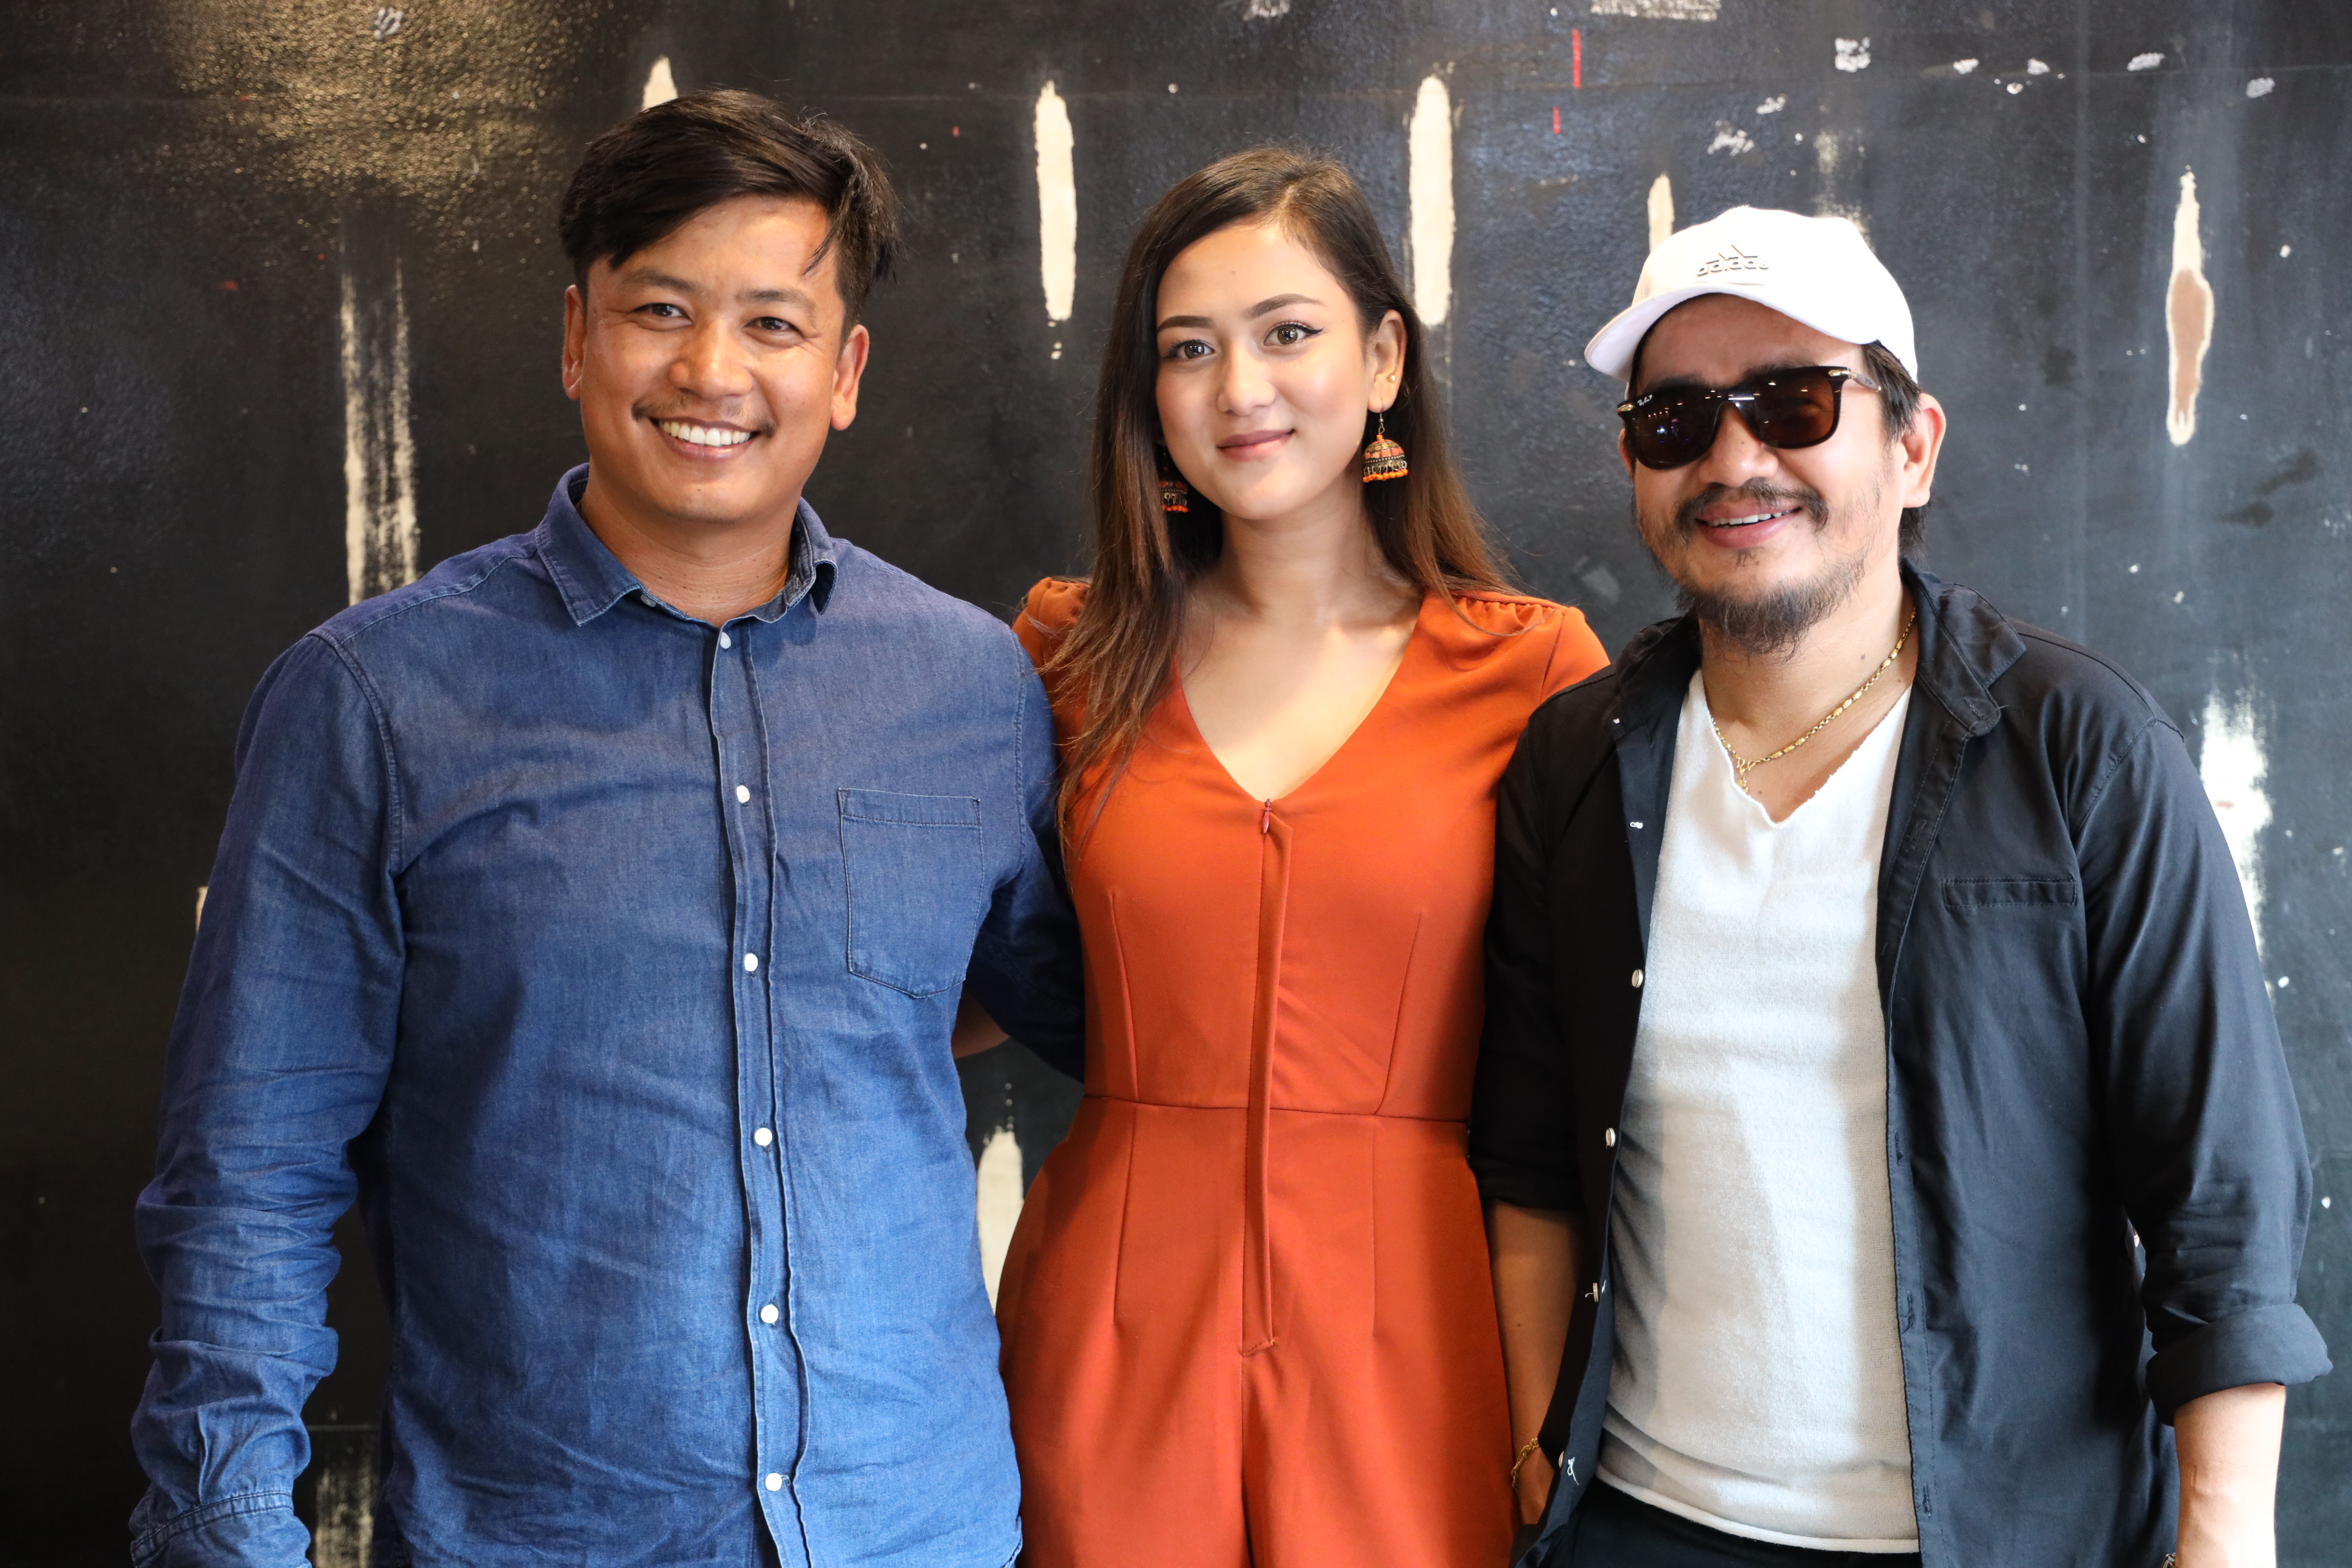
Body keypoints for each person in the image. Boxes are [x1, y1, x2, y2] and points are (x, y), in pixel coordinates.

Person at [128, 91, 1080, 1567]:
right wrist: (226, 1532)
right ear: (578, 337)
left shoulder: (971, 686)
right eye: (661, 310)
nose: (712, 371)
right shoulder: (374, 701)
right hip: (545, 1534)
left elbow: (1099, 1008)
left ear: (844, 372)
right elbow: (247, 1175)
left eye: (774, 323)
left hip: (920, 1525)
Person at [1471, 204, 2329, 1567]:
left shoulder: (2082, 748)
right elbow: (1528, 1158)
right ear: (1635, 462)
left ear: (1914, 445)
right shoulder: (1577, 760)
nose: (1735, 459)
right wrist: (1535, 1456)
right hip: (1639, 1524)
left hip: (2003, 1533)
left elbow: (2218, 1185)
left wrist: (2224, 1537)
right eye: (1676, 419)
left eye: (1795, 403)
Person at [984, 148, 1608, 1568]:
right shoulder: (1064, 653)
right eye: (1188, 350)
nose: (1239, 390)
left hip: (1423, 1324)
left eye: (1287, 333)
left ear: (1383, 359)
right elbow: (946, 974)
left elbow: (1598, 1052)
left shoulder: (1532, 670)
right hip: (1112, 1313)